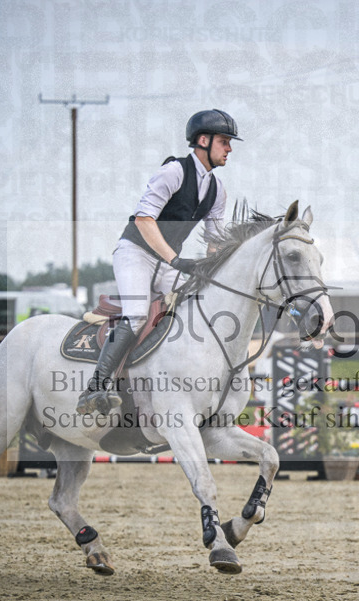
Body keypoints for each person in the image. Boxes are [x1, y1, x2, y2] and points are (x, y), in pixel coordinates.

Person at [76, 109, 240, 416]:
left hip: (167, 263)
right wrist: (176, 260)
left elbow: (214, 242)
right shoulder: (173, 172)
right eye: (224, 141)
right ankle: (94, 389)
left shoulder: (217, 190)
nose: (229, 148)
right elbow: (143, 220)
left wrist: (214, 271)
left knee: (196, 310)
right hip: (135, 252)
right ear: (203, 141)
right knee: (137, 314)